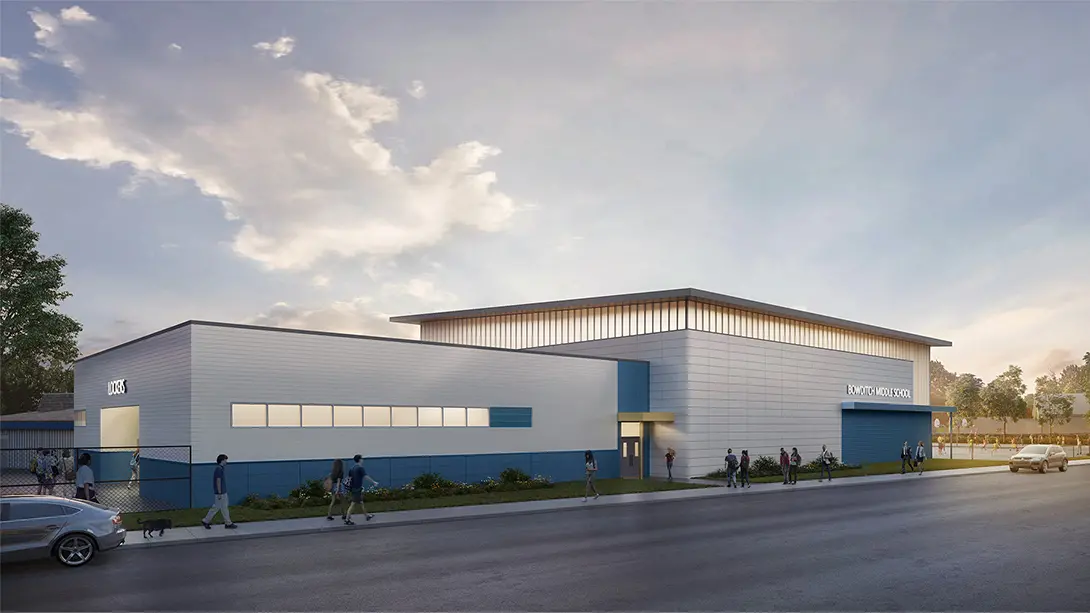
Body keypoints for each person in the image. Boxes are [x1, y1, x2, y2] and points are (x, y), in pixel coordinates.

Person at [201, 454, 238, 530]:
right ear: (222, 460)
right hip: (221, 493)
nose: (226, 461)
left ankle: (226, 522)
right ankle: (207, 521)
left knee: (221, 507)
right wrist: (220, 493)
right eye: (225, 460)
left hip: (222, 492)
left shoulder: (220, 468)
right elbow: (218, 481)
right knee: (219, 507)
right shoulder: (219, 469)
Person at [345, 454, 379, 524]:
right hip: (357, 488)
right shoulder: (360, 468)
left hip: (354, 488)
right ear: (360, 460)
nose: (363, 460)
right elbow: (365, 476)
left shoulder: (352, 468)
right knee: (353, 504)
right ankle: (347, 519)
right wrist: (373, 482)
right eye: (362, 458)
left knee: (361, 502)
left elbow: (350, 478)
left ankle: (367, 516)